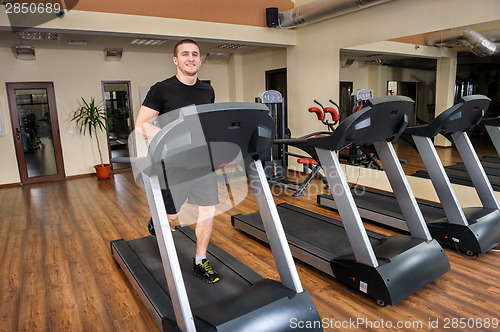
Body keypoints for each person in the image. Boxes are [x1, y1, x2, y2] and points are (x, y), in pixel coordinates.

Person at [135, 39, 220, 284]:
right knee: (171, 215)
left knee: (207, 212)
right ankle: (158, 219)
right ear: (176, 60)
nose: (190, 58)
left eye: (195, 54)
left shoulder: (207, 91)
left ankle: (200, 261)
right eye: (185, 54)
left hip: (202, 161)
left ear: (200, 59)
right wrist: (172, 137)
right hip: (171, 164)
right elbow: (141, 125)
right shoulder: (161, 89)